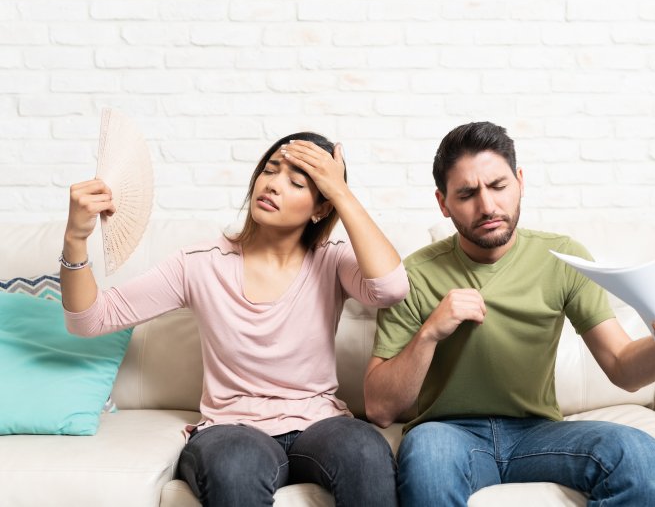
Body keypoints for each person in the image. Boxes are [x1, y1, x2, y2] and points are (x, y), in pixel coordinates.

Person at [61, 133, 409, 507]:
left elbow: (390, 287)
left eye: (296, 182)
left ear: (320, 209)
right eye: (270, 170)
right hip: (233, 428)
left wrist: (340, 192)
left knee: (364, 451)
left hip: (319, 423)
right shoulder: (199, 263)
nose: (274, 184)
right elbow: (90, 320)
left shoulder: (332, 261)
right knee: (235, 465)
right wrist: (75, 237)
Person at [363, 121, 655, 507]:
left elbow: (622, 368)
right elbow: (379, 408)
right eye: (467, 194)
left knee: (638, 457)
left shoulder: (561, 258)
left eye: (498, 186)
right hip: (448, 433)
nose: (487, 206)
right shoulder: (414, 275)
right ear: (443, 203)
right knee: (428, 458)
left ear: (520, 181)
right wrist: (430, 334)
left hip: (538, 433)